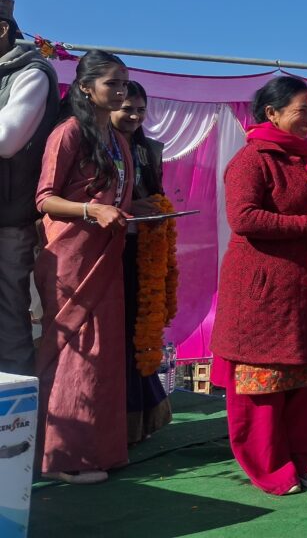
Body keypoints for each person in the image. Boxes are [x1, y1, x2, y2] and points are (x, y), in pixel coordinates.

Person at [210, 76, 307, 496]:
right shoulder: (251, 159)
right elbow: (243, 218)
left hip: (306, 286)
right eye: (301, 110)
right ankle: (270, 465)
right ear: (271, 113)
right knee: (263, 381)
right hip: (262, 288)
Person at [35, 50, 133, 484]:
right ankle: (64, 458)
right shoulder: (68, 132)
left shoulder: (117, 139)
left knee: (102, 354)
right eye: (112, 83)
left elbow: (115, 197)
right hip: (71, 257)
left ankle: (98, 451)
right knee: (76, 352)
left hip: (106, 254)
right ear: (85, 88)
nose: (121, 91)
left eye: (124, 83)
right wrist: (93, 210)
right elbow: (45, 200)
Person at [110, 81, 173, 443]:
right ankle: (119, 421)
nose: (134, 117)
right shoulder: (96, 144)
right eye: (127, 110)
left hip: (141, 247)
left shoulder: (148, 149)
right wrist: (128, 207)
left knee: (138, 329)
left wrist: (156, 209)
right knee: (119, 331)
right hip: (105, 248)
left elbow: (155, 192)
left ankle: (141, 420)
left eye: (140, 110)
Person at [0, 0, 59, 375]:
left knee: (8, 320)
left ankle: (15, 407)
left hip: (8, 219)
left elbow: (6, 139)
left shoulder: (31, 73)